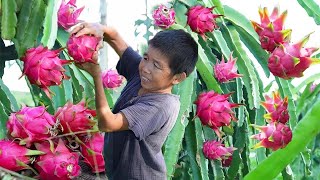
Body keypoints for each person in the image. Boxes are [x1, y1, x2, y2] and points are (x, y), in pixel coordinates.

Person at [71, 22, 198, 179]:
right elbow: (116, 39)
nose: (145, 67)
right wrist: (100, 29)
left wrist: (96, 75)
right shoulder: (145, 76)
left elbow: (107, 123)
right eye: (146, 57)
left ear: (177, 78)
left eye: (156, 65)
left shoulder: (161, 106)